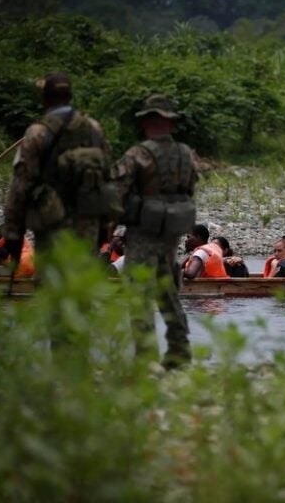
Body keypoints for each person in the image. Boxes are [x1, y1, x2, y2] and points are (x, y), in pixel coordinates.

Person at [110, 94, 200, 370]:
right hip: (171, 235)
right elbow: (190, 189)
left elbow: (116, 194)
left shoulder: (137, 154)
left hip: (142, 234)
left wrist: (108, 228)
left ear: (149, 120)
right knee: (168, 290)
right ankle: (179, 351)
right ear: (171, 123)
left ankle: (146, 355)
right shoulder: (186, 154)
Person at [2, 71, 113, 267]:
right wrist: (106, 225)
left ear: (45, 99)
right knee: (83, 285)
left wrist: (13, 232)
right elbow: (106, 178)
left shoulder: (37, 133)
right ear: (70, 97)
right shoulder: (94, 129)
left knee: (51, 285)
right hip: (88, 222)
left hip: (51, 223)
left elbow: (21, 186)